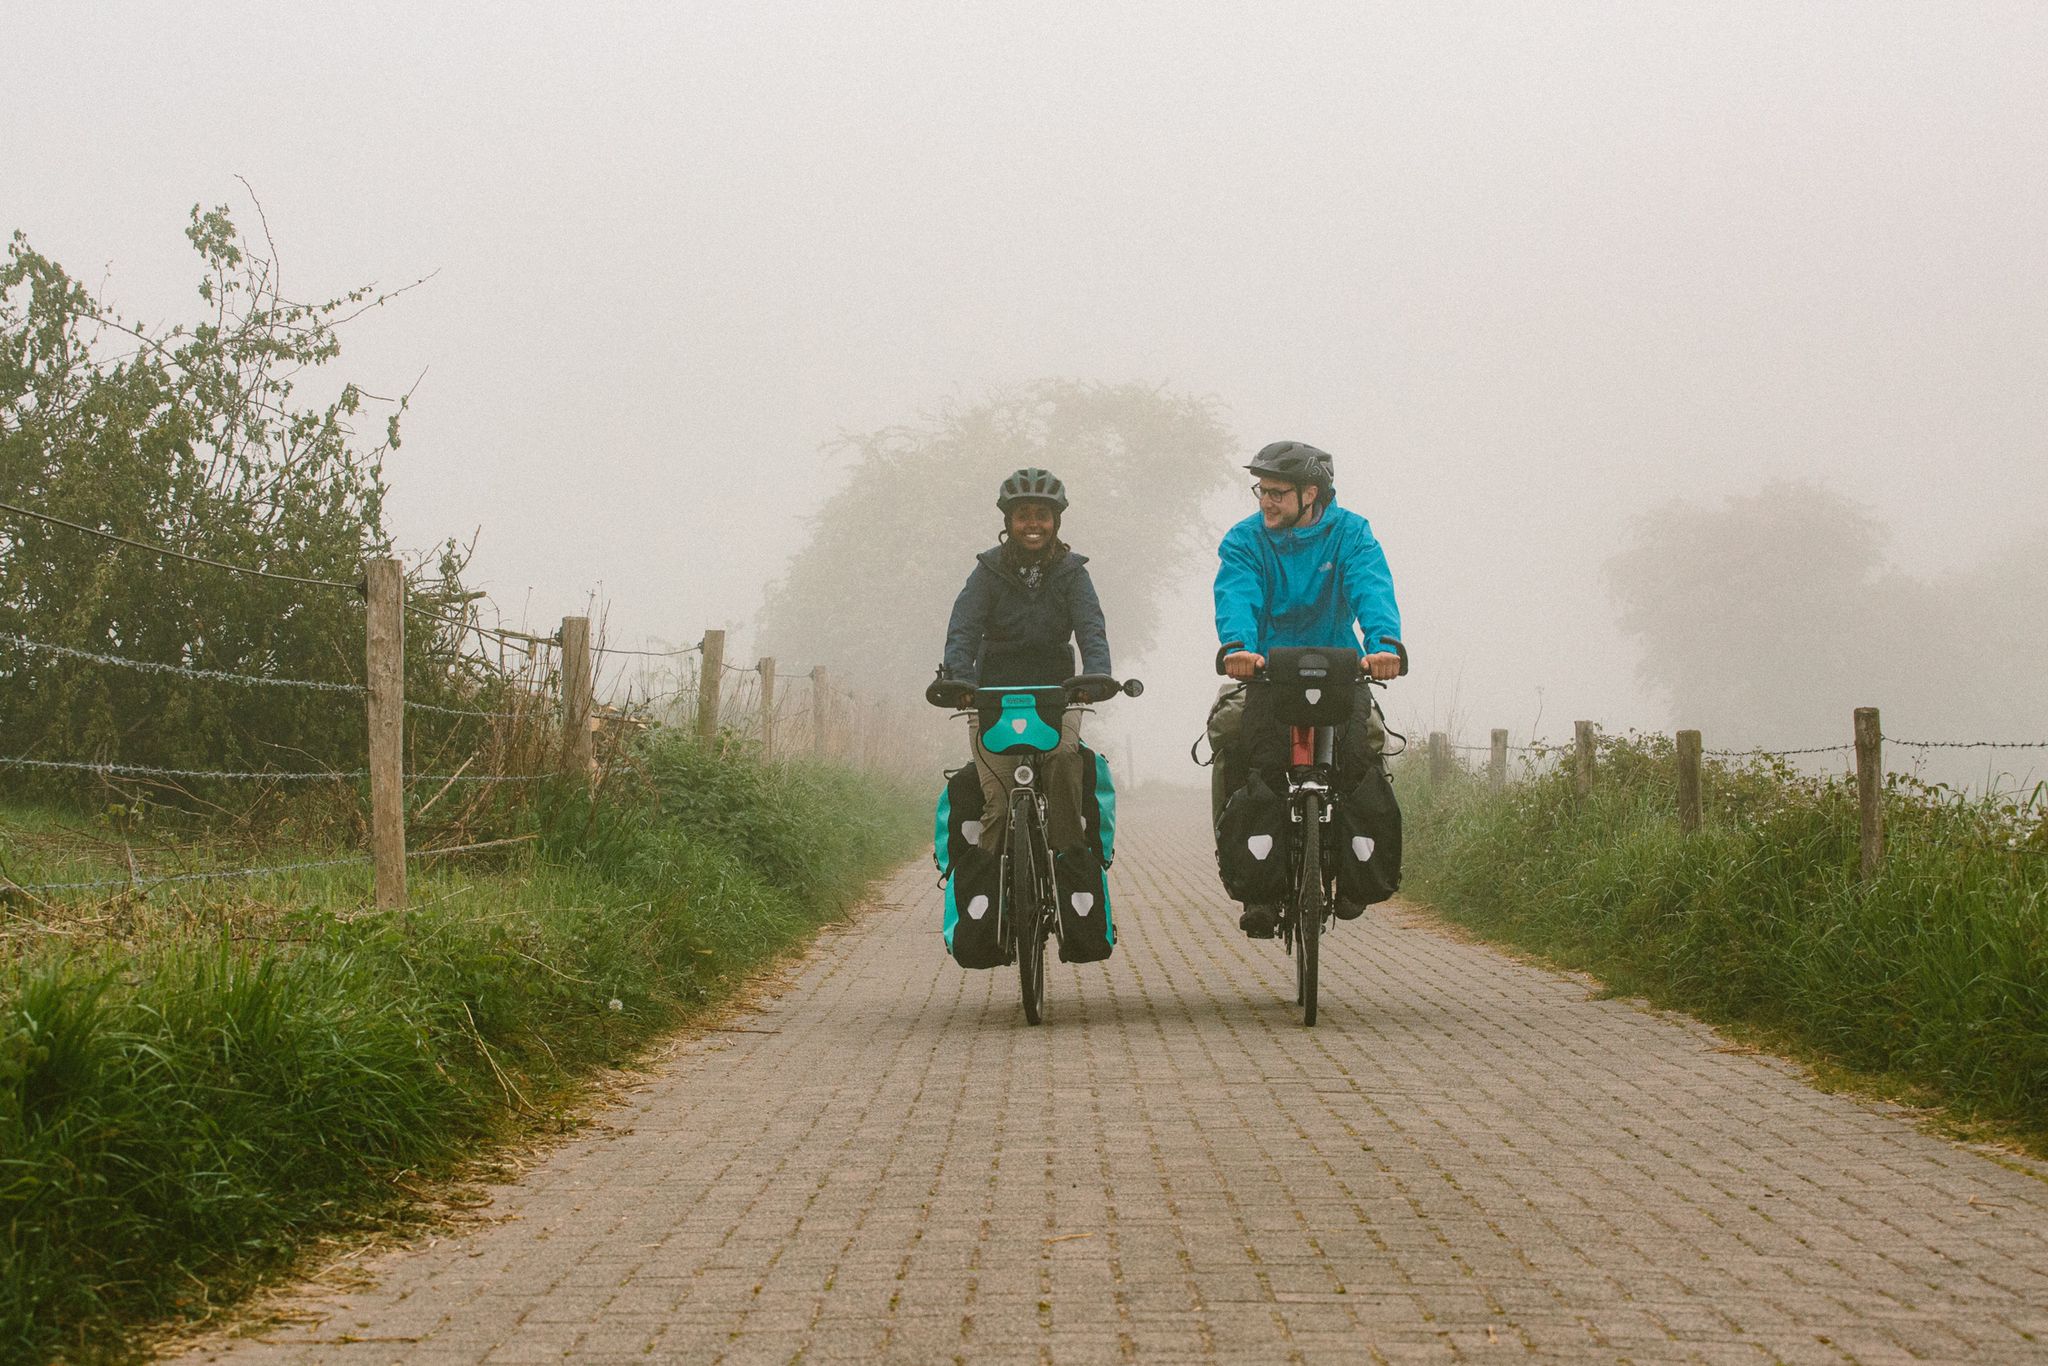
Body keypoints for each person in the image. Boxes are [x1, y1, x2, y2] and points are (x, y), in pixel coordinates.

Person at [1211, 441, 1403, 938]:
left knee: (1364, 751)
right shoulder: (1244, 539)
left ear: (1310, 493)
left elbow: (1371, 588)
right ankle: (1253, 883)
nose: (1266, 502)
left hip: (1339, 669)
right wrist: (1237, 646)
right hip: (1267, 671)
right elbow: (1237, 593)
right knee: (1242, 747)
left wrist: (1384, 646)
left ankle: (1356, 871)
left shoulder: (1351, 534)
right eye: (1262, 491)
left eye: (1277, 492)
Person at [942, 467, 1112, 855]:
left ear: (1056, 522)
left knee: (1065, 765)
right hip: (992, 695)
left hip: (1058, 695)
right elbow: (963, 629)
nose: (1032, 524)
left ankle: (1069, 875)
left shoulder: (1073, 574)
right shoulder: (987, 572)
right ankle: (986, 906)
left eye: (1042, 515)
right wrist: (959, 680)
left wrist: (1096, 675)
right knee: (998, 803)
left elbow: (1091, 629)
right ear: (1008, 521)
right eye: (1023, 516)